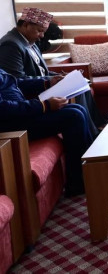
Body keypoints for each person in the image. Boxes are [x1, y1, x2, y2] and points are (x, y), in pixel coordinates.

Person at [0, 7, 105, 130]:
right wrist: (48, 80)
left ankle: (97, 126)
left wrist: (58, 76)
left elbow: (41, 70)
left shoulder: (29, 41)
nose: (42, 36)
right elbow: (16, 79)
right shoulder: (10, 45)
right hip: (32, 93)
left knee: (82, 85)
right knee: (77, 95)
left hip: (40, 85)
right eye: (39, 31)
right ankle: (93, 131)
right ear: (26, 25)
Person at [0, 68, 96, 197]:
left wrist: (47, 83)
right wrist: (43, 105)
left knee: (78, 109)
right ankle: (77, 183)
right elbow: (2, 109)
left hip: (21, 115)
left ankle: (91, 170)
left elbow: (14, 83)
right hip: (12, 126)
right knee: (74, 116)